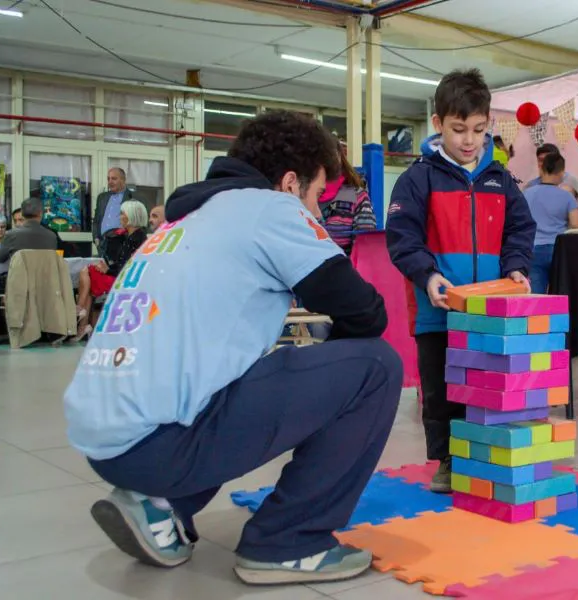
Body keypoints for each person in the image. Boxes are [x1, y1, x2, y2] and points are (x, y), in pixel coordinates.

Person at [63, 110, 402, 585]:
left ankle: (163, 508)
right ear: (289, 183)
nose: (320, 211)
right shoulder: (271, 209)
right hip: (159, 445)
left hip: (105, 440)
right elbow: (367, 313)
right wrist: (333, 389)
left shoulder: (184, 221)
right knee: (377, 367)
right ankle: (289, 541)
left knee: (236, 372)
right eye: (318, 194)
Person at [386, 68, 536, 493]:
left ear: (488, 124)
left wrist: (515, 267)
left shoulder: (501, 180)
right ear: (438, 125)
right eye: (457, 130)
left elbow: (519, 230)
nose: (468, 140)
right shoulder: (418, 178)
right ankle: (448, 460)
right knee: (441, 390)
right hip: (437, 308)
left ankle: (486, 453)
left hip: (488, 310)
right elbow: (402, 237)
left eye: (477, 129)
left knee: (486, 382)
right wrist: (428, 274)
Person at [74, 200, 149, 340]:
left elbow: (126, 266)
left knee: (87, 272)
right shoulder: (131, 236)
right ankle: (82, 322)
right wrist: (107, 268)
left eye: (122, 214)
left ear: (131, 216)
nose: (119, 217)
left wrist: (107, 270)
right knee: (89, 273)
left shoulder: (136, 238)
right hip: (120, 274)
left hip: (124, 278)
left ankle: (80, 311)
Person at [524, 151, 578, 294]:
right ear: (562, 173)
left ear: (542, 169)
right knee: (560, 294)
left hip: (532, 249)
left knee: (535, 295)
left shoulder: (526, 193)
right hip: (558, 249)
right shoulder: (567, 196)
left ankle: (538, 316)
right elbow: (576, 225)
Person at [318, 149, 377, 256]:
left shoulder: (356, 195)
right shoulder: (298, 195)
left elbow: (364, 248)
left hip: (343, 268)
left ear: (340, 158)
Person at [93, 167, 138, 251]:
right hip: (103, 245)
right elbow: (96, 220)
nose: (110, 182)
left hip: (123, 244)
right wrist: (96, 239)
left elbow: (138, 222)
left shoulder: (133, 197)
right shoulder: (102, 197)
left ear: (123, 180)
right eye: (108, 179)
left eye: (114, 178)